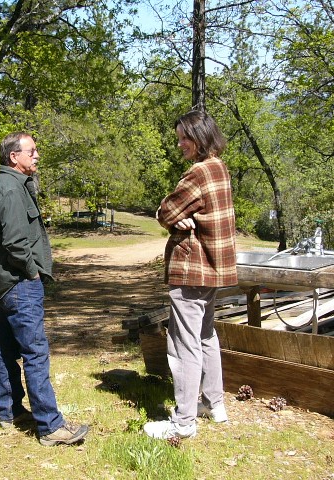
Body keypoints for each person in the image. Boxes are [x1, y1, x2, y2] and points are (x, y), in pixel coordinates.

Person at [0, 131, 89, 446]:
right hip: (19, 282)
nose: (37, 155)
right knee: (35, 352)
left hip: (3, 282)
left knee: (6, 348)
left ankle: (9, 411)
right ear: (14, 156)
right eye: (32, 150)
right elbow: (15, 243)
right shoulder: (10, 190)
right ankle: (50, 426)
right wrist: (32, 273)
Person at [143, 110, 237, 440]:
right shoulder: (219, 167)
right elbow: (181, 212)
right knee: (205, 335)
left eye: (185, 137)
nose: (180, 144)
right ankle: (214, 405)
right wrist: (180, 218)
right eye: (179, 138)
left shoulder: (198, 173)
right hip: (211, 268)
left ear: (201, 136)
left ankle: (183, 422)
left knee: (184, 344)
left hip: (192, 268)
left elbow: (167, 210)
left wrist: (166, 214)